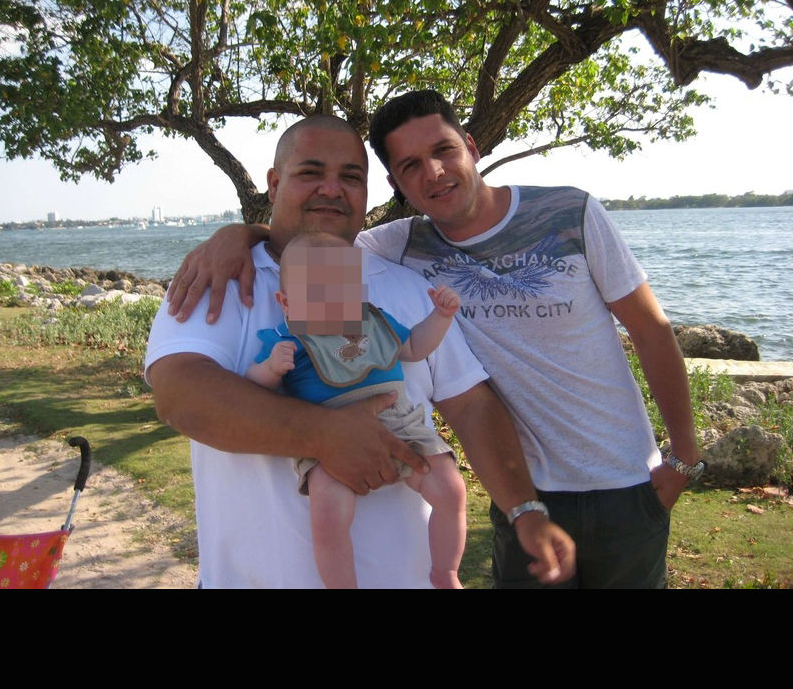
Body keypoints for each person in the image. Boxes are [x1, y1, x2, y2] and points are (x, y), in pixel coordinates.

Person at [169, 91, 704, 589]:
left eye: (444, 150)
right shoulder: (247, 276)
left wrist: (682, 457)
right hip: (520, 491)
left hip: (620, 483)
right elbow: (183, 392)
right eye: (409, 166)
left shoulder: (550, 219)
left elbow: (647, 333)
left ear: (470, 146)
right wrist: (240, 235)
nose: (434, 172)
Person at [147, 113, 575, 588]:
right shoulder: (218, 278)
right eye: (311, 172)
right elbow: (179, 394)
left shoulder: (407, 285)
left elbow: (472, 405)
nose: (332, 189)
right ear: (274, 183)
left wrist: (525, 508)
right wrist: (324, 435)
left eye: (351, 177)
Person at [247, 231, 467, 588]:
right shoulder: (286, 340)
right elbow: (254, 388)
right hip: (329, 438)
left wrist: (441, 317)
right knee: (328, 519)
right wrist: (270, 369)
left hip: (402, 423)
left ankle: (445, 572)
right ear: (286, 302)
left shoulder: (375, 324)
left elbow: (414, 346)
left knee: (451, 488)